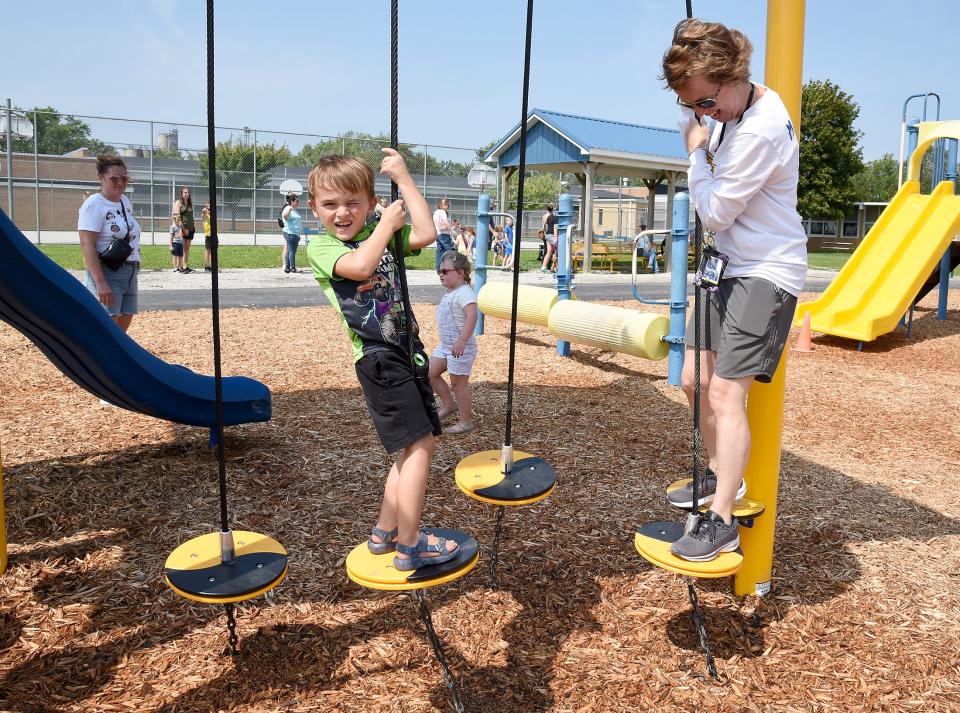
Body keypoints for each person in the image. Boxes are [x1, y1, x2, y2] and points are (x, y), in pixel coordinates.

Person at [661, 18, 807, 561]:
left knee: (726, 393)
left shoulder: (762, 128)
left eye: (706, 101)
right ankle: (722, 473)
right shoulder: (724, 101)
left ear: (734, 75)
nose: (702, 114)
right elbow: (692, 104)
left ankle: (720, 517)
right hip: (728, 266)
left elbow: (717, 211)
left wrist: (696, 153)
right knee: (694, 380)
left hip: (766, 271)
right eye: (695, 105)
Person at [306, 149, 459, 570]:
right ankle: (411, 545)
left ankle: (384, 532)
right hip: (377, 359)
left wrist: (405, 180)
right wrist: (385, 226)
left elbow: (427, 234)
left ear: (371, 203)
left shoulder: (381, 231)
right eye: (330, 204)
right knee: (421, 446)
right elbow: (358, 265)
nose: (342, 212)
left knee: (408, 450)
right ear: (314, 208)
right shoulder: (320, 247)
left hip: (404, 352)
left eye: (353, 202)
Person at [77, 154, 142, 334]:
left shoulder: (124, 201)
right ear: (101, 178)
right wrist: (100, 282)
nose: (120, 182)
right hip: (108, 272)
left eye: (124, 178)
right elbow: (87, 245)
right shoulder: (94, 204)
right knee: (105, 326)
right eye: (114, 178)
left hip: (130, 271)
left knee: (123, 325)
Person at [429, 251, 478, 435]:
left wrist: (462, 340)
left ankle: (465, 422)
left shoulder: (464, 293)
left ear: (461, 273)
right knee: (430, 372)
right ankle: (450, 405)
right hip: (447, 345)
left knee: (459, 384)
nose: (441, 274)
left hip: (460, 347)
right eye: (439, 271)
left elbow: (472, 316)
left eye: (445, 271)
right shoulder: (452, 292)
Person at [172, 187, 196, 273]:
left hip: (190, 228)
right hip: (181, 229)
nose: (187, 194)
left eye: (188, 192)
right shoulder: (178, 203)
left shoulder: (189, 203)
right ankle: (178, 267)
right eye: (185, 192)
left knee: (187, 248)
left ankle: (185, 266)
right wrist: (183, 229)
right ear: (181, 194)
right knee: (179, 247)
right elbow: (176, 217)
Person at [281, 193, 304, 273]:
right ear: (292, 201)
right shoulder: (288, 208)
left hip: (294, 233)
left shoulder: (293, 209)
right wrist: (290, 209)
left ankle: (287, 268)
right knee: (292, 251)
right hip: (290, 233)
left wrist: (298, 234)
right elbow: (285, 216)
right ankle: (293, 268)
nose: (298, 203)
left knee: (289, 251)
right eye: (296, 201)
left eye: (298, 201)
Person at [432, 198, 454, 270]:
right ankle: (450, 267)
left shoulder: (436, 212)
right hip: (444, 234)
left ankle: (438, 268)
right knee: (449, 250)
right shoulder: (442, 212)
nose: (448, 206)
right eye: (447, 204)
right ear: (442, 205)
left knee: (439, 251)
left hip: (437, 233)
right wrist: (451, 230)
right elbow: (445, 222)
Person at [541, 203, 558, 272]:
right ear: (553, 208)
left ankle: (543, 267)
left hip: (547, 234)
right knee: (557, 252)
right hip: (552, 235)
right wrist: (556, 238)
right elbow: (555, 227)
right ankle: (557, 268)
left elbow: (544, 225)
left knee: (549, 252)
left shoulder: (545, 216)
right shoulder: (554, 216)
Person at [201, 203, 214, 271]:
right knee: (208, 250)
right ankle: (207, 266)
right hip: (208, 235)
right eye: (209, 208)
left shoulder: (213, 215)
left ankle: (214, 265)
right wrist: (206, 209)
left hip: (214, 235)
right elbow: (203, 211)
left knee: (214, 251)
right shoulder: (205, 215)